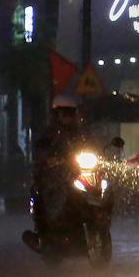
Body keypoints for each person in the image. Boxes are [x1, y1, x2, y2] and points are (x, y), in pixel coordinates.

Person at [22, 96, 87, 250]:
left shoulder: (80, 132)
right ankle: (44, 235)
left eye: (71, 112)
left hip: (77, 174)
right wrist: (48, 159)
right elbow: (40, 149)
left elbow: (92, 145)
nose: (67, 116)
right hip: (54, 175)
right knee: (45, 195)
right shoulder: (49, 133)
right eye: (64, 113)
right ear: (56, 114)